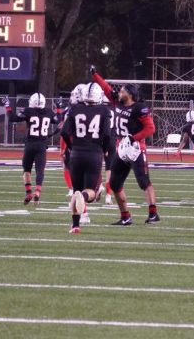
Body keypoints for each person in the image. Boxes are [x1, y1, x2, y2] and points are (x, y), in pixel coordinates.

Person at [91, 67, 160, 225]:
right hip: (121, 150)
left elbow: (151, 129)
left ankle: (153, 214)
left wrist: (133, 138)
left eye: (122, 91)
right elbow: (106, 88)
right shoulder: (117, 101)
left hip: (136, 149)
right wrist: (95, 75)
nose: (119, 93)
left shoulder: (139, 108)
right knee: (115, 184)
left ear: (129, 94)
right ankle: (125, 216)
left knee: (144, 182)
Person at [61, 82, 112, 233]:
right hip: (94, 152)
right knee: (90, 192)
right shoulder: (103, 110)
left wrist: (71, 147)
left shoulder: (74, 108)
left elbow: (64, 132)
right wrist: (104, 149)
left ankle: (75, 225)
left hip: (76, 153)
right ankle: (83, 197)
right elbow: (107, 135)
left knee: (76, 190)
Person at [8, 92, 57, 204]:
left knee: (26, 170)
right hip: (41, 145)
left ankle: (28, 192)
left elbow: (13, 118)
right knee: (40, 170)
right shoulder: (49, 112)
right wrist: (59, 108)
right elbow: (57, 119)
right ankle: (38, 192)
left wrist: (8, 107)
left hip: (30, 144)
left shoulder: (28, 111)